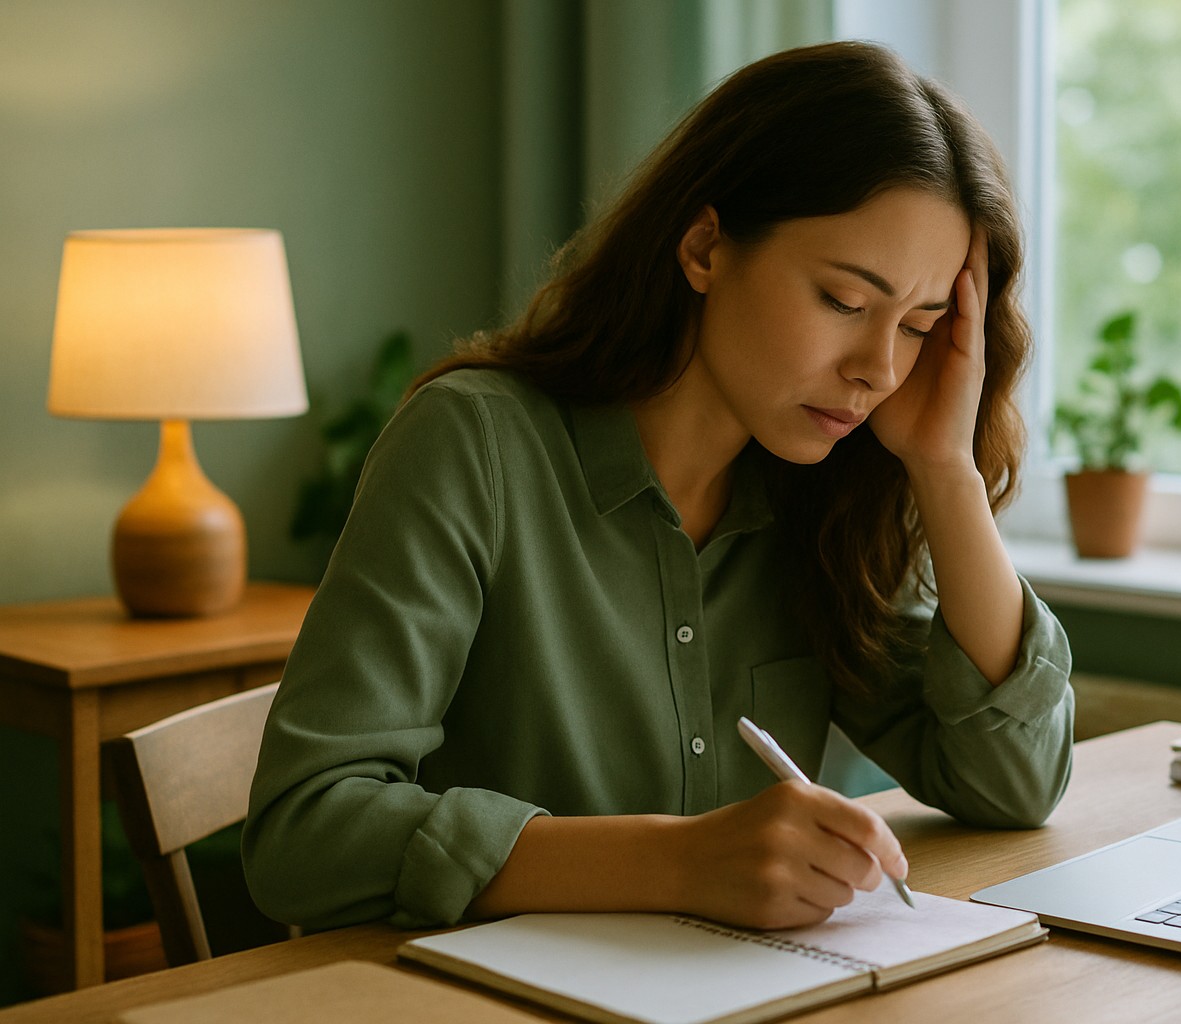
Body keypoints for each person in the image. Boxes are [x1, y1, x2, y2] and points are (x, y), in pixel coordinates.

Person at [243, 40, 1073, 935]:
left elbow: (1013, 783)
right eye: (843, 301)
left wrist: (943, 468)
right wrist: (680, 861)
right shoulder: (474, 444)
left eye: (917, 326)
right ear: (705, 246)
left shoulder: (828, 498)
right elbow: (305, 831)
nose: (878, 367)